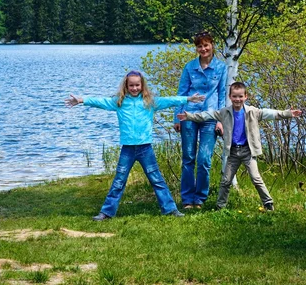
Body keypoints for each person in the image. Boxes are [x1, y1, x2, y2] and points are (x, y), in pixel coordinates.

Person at [65, 69, 205, 220]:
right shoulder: (119, 102)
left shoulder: (150, 102)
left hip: (146, 149)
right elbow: (100, 101)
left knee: (156, 179)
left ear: (142, 85)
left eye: (137, 85)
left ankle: (170, 209)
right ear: (126, 86)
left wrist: (188, 99)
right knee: (119, 180)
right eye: (131, 85)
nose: (134, 88)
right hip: (128, 149)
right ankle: (106, 212)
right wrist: (81, 100)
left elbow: (170, 100)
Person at [177, 81, 302, 210]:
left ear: (246, 97)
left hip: (248, 151)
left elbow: (271, 113)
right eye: (235, 96)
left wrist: (288, 113)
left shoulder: (252, 111)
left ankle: (268, 203)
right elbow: (206, 115)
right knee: (226, 181)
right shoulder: (224, 112)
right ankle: (220, 206)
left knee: (256, 178)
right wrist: (189, 116)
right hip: (233, 153)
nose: (238, 99)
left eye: (240, 96)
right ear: (230, 97)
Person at [174, 31, 227, 209]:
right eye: (199, 46)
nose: (203, 49)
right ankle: (187, 198)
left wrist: (221, 120)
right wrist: (177, 117)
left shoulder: (221, 68)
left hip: (211, 117)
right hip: (188, 116)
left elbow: (222, 95)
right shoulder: (189, 67)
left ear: (212, 45)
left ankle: (200, 198)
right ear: (196, 48)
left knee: (204, 159)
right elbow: (182, 94)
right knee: (188, 157)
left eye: (206, 45)